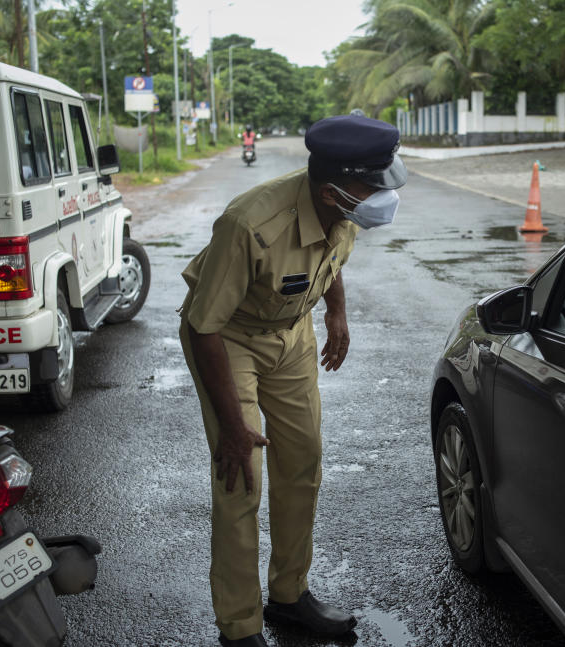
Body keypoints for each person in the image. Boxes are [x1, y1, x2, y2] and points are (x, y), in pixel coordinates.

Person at [178, 115, 407, 647]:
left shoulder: (340, 212)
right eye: (370, 186)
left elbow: (327, 258)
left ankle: (288, 595)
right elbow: (204, 326)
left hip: (291, 331)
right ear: (330, 192)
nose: (381, 194)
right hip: (228, 338)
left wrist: (337, 314)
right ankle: (239, 627)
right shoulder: (251, 224)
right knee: (242, 478)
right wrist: (233, 427)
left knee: (302, 461)